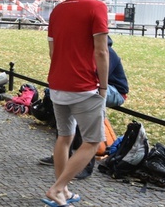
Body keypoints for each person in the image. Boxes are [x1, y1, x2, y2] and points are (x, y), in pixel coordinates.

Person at [43, 0, 109, 207]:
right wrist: (102, 85)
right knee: (92, 142)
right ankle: (57, 188)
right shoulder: (96, 8)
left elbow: (52, 50)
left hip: (58, 84)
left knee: (64, 137)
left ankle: (65, 191)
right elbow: (101, 52)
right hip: (83, 87)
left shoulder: (58, 10)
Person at [38, 35, 129, 176]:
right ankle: (63, 156)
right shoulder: (86, 50)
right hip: (93, 87)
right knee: (68, 100)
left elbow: (97, 78)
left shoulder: (107, 52)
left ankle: (85, 166)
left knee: (84, 103)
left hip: (115, 91)